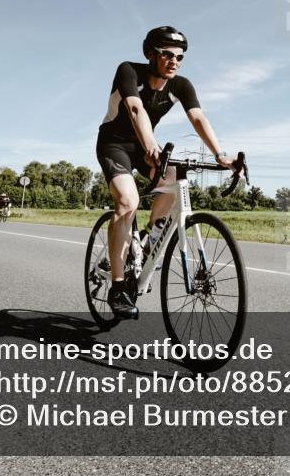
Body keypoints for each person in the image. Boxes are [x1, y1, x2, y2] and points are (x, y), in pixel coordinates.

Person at [96, 26, 235, 318]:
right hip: (115, 145)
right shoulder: (129, 71)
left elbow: (197, 117)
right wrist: (149, 144)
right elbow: (135, 109)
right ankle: (118, 288)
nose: (174, 61)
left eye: (180, 57)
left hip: (147, 147)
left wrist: (219, 154)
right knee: (127, 203)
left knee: (175, 178)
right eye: (167, 54)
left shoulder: (180, 85)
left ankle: (149, 237)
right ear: (151, 54)